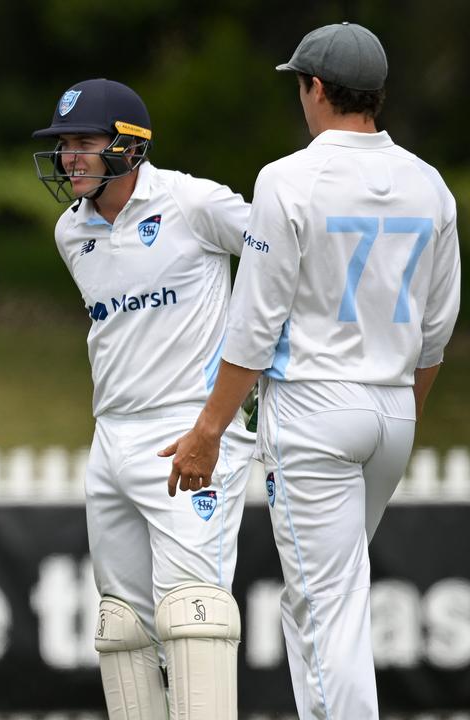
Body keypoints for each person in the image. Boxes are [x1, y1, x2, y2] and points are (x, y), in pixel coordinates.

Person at [163, 22, 461, 720]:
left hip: (313, 411)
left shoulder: (289, 178)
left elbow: (255, 323)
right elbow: (437, 331)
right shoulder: (430, 184)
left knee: (324, 608)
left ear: (317, 87)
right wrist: (402, 412)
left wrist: (208, 429)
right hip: (393, 410)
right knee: (337, 598)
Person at [31, 78, 256, 720]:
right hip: (111, 437)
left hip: (190, 429)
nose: (69, 157)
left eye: (82, 143)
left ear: (128, 147)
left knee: (195, 615)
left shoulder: (194, 203)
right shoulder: (69, 232)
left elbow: (285, 262)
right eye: (63, 144)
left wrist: (250, 384)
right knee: (123, 626)